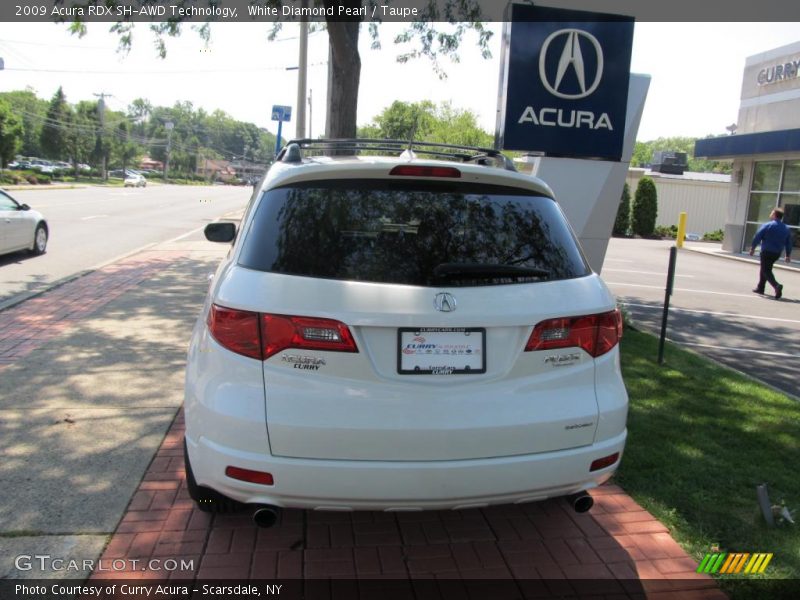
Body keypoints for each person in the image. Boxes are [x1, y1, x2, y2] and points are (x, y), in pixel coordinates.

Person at [749, 208, 793, 299]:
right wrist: (788, 255)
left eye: (771, 213)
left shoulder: (768, 225)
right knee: (765, 268)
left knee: (766, 270)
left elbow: (757, 236)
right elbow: (789, 243)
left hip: (766, 251)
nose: (770, 214)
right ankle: (760, 287)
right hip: (776, 253)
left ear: (774, 215)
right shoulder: (786, 228)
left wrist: (753, 247)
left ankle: (776, 286)